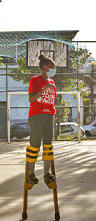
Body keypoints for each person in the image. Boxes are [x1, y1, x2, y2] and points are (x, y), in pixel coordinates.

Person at [26, 54, 57, 185]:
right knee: (35, 144)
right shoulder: (35, 79)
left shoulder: (52, 82)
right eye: (52, 67)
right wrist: (44, 89)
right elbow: (31, 99)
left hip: (49, 115)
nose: (54, 69)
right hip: (36, 115)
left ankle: (46, 174)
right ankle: (30, 174)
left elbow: (51, 100)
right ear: (45, 68)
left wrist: (52, 115)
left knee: (48, 144)